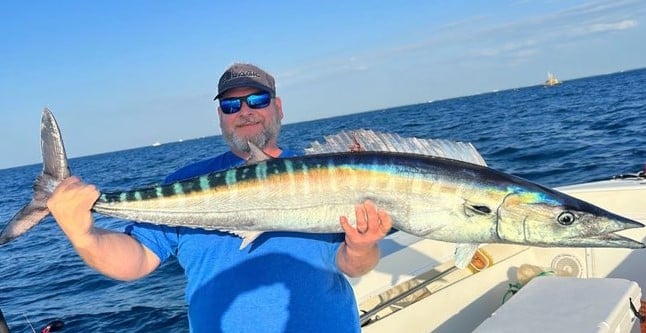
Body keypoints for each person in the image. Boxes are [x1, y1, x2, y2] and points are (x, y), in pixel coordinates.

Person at [47, 63, 393, 332]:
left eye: (257, 99)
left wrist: (362, 246)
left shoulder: (327, 172)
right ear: (220, 117)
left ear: (279, 107)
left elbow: (351, 264)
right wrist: (83, 235)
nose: (245, 111)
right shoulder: (185, 181)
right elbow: (136, 260)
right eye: (231, 104)